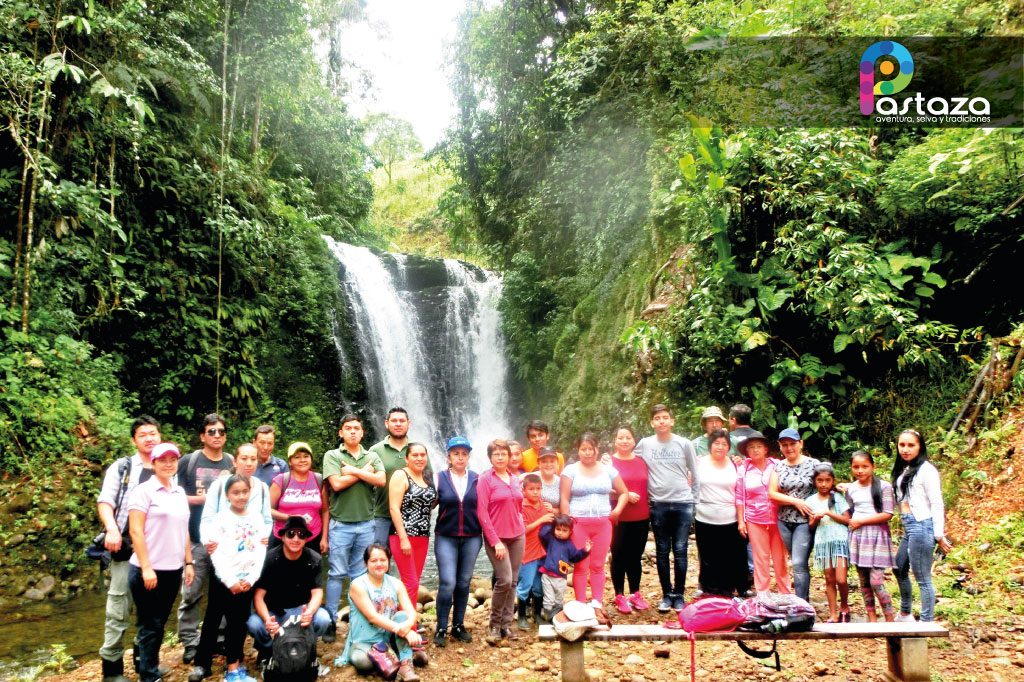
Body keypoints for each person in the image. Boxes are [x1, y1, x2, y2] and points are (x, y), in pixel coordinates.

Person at [97, 415, 162, 682]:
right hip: (125, 548)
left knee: (151, 609)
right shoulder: (123, 468)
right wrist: (111, 529)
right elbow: (105, 502)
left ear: (160, 436)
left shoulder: (167, 467)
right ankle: (111, 669)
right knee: (119, 607)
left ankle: (143, 661)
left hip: (157, 550)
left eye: (153, 433)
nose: (149, 438)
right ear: (134, 440)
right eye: (143, 434)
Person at [189, 475, 270, 682]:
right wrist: (229, 580)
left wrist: (251, 579)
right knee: (213, 618)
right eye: (236, 492)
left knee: (239, 622)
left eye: (244, 492)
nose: (241, 496)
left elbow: (260, 551)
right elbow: (215, 553)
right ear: (227, 496)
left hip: (246, 580)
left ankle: (234, 664)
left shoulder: (256, 518)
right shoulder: (221, 519)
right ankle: (202, 663)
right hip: (224, 579)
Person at [126, 443, 194, 682]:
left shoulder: (178, 492)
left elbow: (183, 529)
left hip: (173, 570)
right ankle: (148, 674)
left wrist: (189, 563)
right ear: (153, 463)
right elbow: (135, 531)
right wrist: (146, 567)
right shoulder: (143, 491)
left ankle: (149, 664)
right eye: (162, 459)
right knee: (150, 623)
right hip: (148, 570)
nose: (168, 464)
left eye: (172, 459)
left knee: (159, 622)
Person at [323, 414, 386, 642]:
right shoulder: (332, 455)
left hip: (367, 523)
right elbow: (336, 484)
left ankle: (359, 619)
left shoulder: (373, 455)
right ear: (341, 432)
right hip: (340, 525)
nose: (352, 431)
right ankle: (330, 621)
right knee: (336, 573)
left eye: (356, 428)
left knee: (360, 575)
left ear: (362, 432)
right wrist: (365, 473)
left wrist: (353, 471)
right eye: (347, 428)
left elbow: (381, 480)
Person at [178, 414, 235, 664]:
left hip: (225, 541)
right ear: (202, 435)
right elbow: (175, 496)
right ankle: (190, 642)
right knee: (191, 592)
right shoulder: (188, 462)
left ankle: (219, 638)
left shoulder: (232, 462)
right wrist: (206, 498)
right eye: (211, 431)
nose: (216, 436)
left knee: (222, 592)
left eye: (221, 432)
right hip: (196, 539)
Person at [633, 404, 701, 612]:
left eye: (665, 417)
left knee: (681, 550)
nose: (661, 421)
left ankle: (679, 595)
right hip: (658, 503)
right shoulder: (645, 444)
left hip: (682, 502)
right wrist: (609, 459)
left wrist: (694, 500)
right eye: (657, 418)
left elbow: (695, 472)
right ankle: (665, 595)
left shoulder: (684, 443)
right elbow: (629, 459)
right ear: (652, 423)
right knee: (662, 550)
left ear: (672, 421)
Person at [247, 516, 333, 668]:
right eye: (291, 533)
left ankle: (304, 648)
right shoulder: (269, 558)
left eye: (301, 535)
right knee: (254, 624)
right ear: (282, 536)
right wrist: (267, 619)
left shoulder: (314, 559)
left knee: (323, 618)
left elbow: (317, 593)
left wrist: (310, 612)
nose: (296, 538)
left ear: (306, 539)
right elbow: (258, 597)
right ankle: (269, 651)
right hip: (275, 611)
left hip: (301, 610)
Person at [560, 433, 629, 608]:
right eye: (584, 449)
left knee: (598, 565)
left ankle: (597, 603)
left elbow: (624, 492)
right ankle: (581, 604)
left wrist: (617, 511)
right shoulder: (570, 470)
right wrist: (566, 521)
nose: (588, 452)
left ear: (597, 449)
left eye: (591, 449)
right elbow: (564, 499)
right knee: (581, 566)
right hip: (578, 524)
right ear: (578, 451)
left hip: (603, 524)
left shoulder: (608, 470)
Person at [337, 544, 422, 682]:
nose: (379, 564)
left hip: (389, 636)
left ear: (388, 561)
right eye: (373, 561)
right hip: (364, 641)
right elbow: (372, 617)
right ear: (366, 563)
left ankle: (405, 665)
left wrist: (407, 626)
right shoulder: (357, 585)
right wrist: (403, 631)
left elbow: (411, 611)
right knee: (363, 662)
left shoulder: (396, 583)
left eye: (383, 560)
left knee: (402, 616)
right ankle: (401, 653)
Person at [892, 429, 951, 623]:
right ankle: (905, 614)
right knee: (899, 568)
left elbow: (937, 502)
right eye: (902, 445)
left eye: (911, 445)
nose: (906, 449)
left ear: (920, 447)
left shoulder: (927, 470)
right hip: (910, 527)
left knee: (923, 577)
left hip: (922, 526)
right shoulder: (904, 468)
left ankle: (926, 622)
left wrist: (938, 534)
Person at [432, 436, 482, 646]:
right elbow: (427, 504)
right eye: (456, 454)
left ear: (468, 456)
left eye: (464, 454)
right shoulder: (438, 478)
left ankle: (458, 626)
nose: (460, 458)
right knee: (447, 582)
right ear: (449, 457)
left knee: (463, 582)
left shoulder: (477, 479)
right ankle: (441, 627)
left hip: (472, 536)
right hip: (446, 536)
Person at [477, 438, 525, 644]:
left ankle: (506, 625)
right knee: (504, 579)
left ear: (509, 456)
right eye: (496, 454)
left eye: (503, 453)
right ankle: (494, 624)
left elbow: (519, 507)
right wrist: (495, 541)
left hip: (517, 535)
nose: (500, 457)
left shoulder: (515, 478)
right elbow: (481, 512)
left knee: (513, 581)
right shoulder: (486, 479)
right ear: (490, 458)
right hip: (496, 537)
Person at [736, 430, 792, 596]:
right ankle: (763, 594)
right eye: (751, 447)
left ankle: (785, 593)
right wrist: (741, 521)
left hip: (778, 517)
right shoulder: (743, 469)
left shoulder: (777, 465)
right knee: (760, 559)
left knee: (780, 558)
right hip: (754, 519)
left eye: (758, 446)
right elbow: (739, 497)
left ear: (766, 449)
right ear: (746, 451)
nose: (755, 450)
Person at [694, 428, 749, 598]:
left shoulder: (735, 464)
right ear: (710, 445)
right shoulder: (699, 462)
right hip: (704, 517)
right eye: (716, 443)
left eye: (724, 444)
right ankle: (709, 590)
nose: (720, 447)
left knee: (731, 555)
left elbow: (741, 492)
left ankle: (730, 589)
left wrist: (742, 519)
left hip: (730, 517)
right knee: (708, 555)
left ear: (729, 447)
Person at [767, 428, 819, 601]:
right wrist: (796, 501)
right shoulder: (779, 466)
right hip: (784, 520)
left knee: (798, 563)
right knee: (798, 562)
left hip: (805, 521)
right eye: (785, 445)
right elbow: (772, 494)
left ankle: (801, 604)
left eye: (792, 444)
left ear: (801, 444)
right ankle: (801, 602)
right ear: (780, 447)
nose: (789, 448)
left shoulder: (814, 464)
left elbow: (826, 487)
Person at [846, 450, 896, 622]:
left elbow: (888, 513)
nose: (860, 471)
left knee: (876, 581)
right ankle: (871, 618)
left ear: (873, 467)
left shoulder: (884, 487)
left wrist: (862, 521)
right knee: (864, 581)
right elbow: (850, 512)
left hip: (877, 536)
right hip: (858, 537)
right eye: (856, 467)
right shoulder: (851, 489)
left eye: (865, 467)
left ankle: (890, 618)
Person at [388, 442, 438, 609]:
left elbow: (430, 503)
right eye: (415, 455)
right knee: (411, 581)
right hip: (402, 536)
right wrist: (403, 538)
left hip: (423, 536)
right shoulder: (400, 475)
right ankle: (408, 626)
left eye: (422, 455)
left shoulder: (427, 476)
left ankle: (404, 619)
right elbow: (394, 508)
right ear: (406, 458)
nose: (419, 458)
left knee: (413, 581)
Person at [607, 426, 650, 614]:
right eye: (620, 437)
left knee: (635, 557)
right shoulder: (608, 462)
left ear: (634, 441)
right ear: (615, 441)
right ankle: (619, 595)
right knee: (618, 556)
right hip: (618, 515)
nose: (624, 441)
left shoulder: (642, 461)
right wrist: (623, 493)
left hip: (641, 516)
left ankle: (635, 593)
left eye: (628, 437)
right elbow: (603, 488)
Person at [199, 443, 272, 544]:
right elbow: (208, 518)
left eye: (253, 459)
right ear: (235, 462)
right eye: (244, 458)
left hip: (251, 551)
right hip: (223, 549)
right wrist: (208, 541)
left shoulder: (262, 488)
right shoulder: (219, 485)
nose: (249, 463)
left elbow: (267, 520)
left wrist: (262, 537)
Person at [806, 463, 850, 622]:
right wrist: (815, 519)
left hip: (839, 540)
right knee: (829, 579)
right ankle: (833, 614)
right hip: (823, 542)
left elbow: (847, 520)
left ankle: (844, 606)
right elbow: (810, 526)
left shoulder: (838, 498)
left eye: (827, 480)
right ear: (814, 482)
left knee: (841, 579)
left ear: (833, 481)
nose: (823, 484)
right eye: (820, 480)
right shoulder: (810, 500)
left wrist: (828, 512)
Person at [269, 442, 329, 551]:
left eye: (306, 456)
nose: (302, 460)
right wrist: (290, 517)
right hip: (284, 537)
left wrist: (324, 538)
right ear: (290, 461)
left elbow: (325, 511)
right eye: (297, 457)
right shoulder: (281, 480)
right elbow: (267, 510)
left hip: (312, 537)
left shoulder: (319, 480)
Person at [370, 407, 413, 547]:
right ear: (386, 423)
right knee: (379, 557)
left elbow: (429, 481)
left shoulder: (416, 450)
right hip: (382, 515)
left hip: (410, 517)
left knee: (408, 562)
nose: (398, 424)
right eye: (394, 421)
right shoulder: (375, 450)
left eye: (402, 420)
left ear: (409, 423)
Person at [517, 474, 552, 628]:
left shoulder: (544, 506)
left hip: (543, 552)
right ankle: (521, 616)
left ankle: (537, 614)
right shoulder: (521, 508)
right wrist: (541, 520)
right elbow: (523, 530)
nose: (535, 492)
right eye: (531, 489)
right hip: (528, 553)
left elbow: (553, 519)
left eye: (538, 489)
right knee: (525, 585)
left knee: (539, 586)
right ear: (523, 491)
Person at [538, 515, 590, 620]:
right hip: (547, 575)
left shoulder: (569, 545)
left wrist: (585, 551)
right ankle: (547, 616)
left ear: (570, 532)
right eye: (558, 529)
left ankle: (557, 617)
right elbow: (542, 533)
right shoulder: (551, 539)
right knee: (549, 599)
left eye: (564, 530)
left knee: (559, 599)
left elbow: (575, 557)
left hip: (561, 578)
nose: (560, 532)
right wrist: (550, 523)